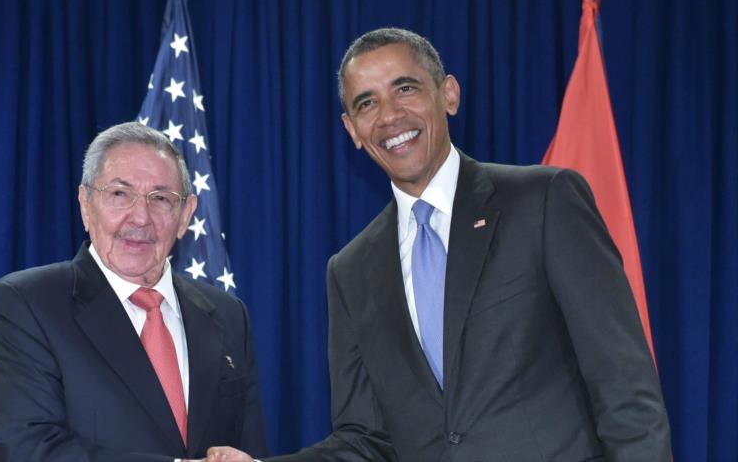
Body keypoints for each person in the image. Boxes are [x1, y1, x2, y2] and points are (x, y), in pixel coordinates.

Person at [208, 28, 671, 461]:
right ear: (351, 129)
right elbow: (364, 440)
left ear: (448, 94)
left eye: (405, 88)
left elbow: (624, 386)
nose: (389, 116)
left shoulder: (545, 201)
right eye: (367, 103)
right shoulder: (349, 270)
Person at [0, 122, 267, 462]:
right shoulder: (30, 303)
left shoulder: (229, 315)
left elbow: (249, 448)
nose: (141, 217)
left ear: (185, 215)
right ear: (86, 204)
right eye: (120, 194)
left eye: (160, 199)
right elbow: (27, 447)